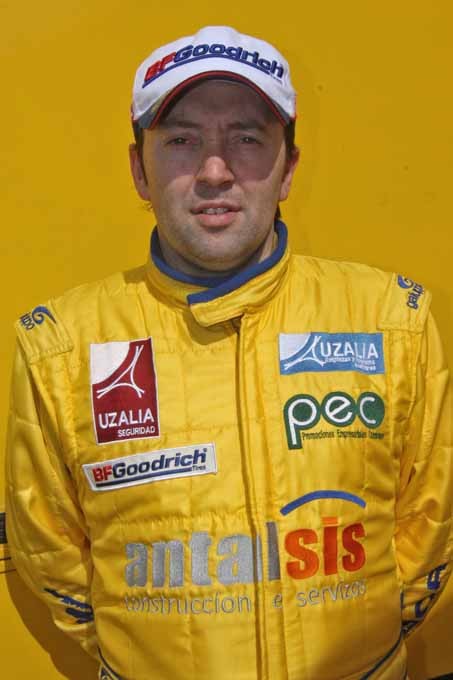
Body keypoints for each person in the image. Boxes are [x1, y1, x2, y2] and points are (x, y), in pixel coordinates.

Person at [5, 25, 452, 680]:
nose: (214, 172)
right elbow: (51, 554)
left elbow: (429, 527)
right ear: (139, 170)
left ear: (288, 168)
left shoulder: (393, 320)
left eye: (246, 139)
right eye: (182, 141)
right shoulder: (60, 345)